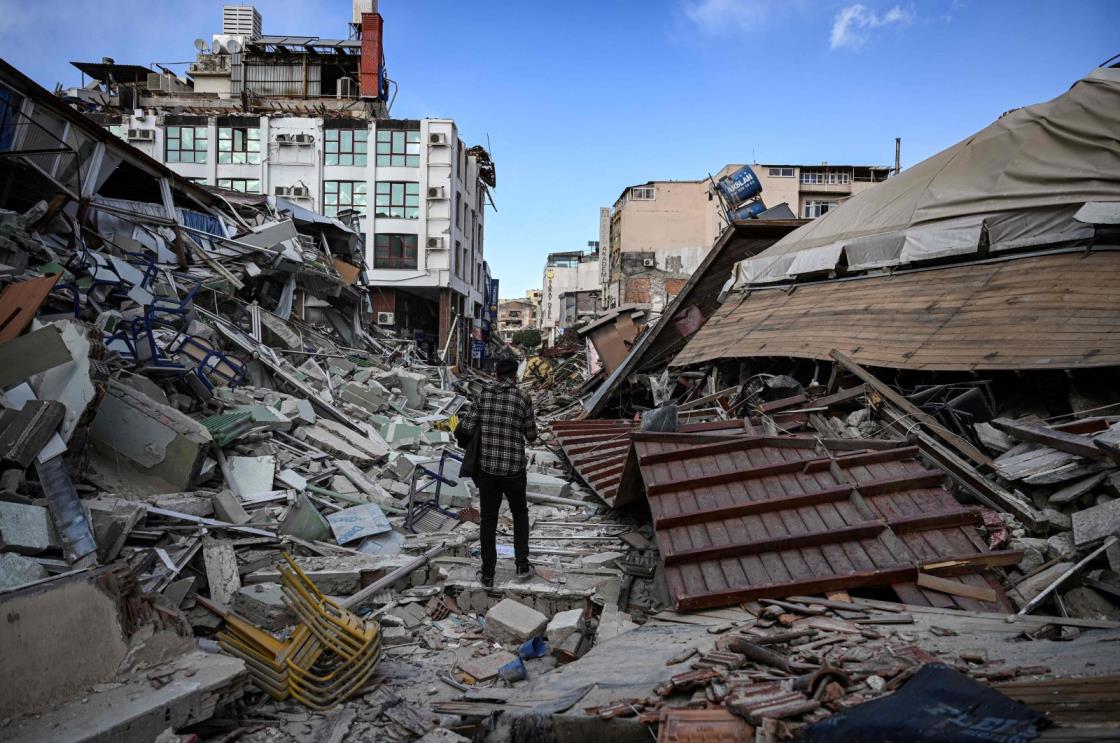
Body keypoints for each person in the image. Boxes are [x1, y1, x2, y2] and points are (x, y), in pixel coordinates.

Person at [456, 357, 537, 587]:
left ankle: (488, 573)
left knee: (488, 521)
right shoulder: (522, 397)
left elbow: (468, 427)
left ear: (495, 374)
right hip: (514, 470)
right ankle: (521, 564)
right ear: (514, 376)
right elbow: (531, 435)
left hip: (488, 470)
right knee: (520, 514)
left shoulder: (483, 395)